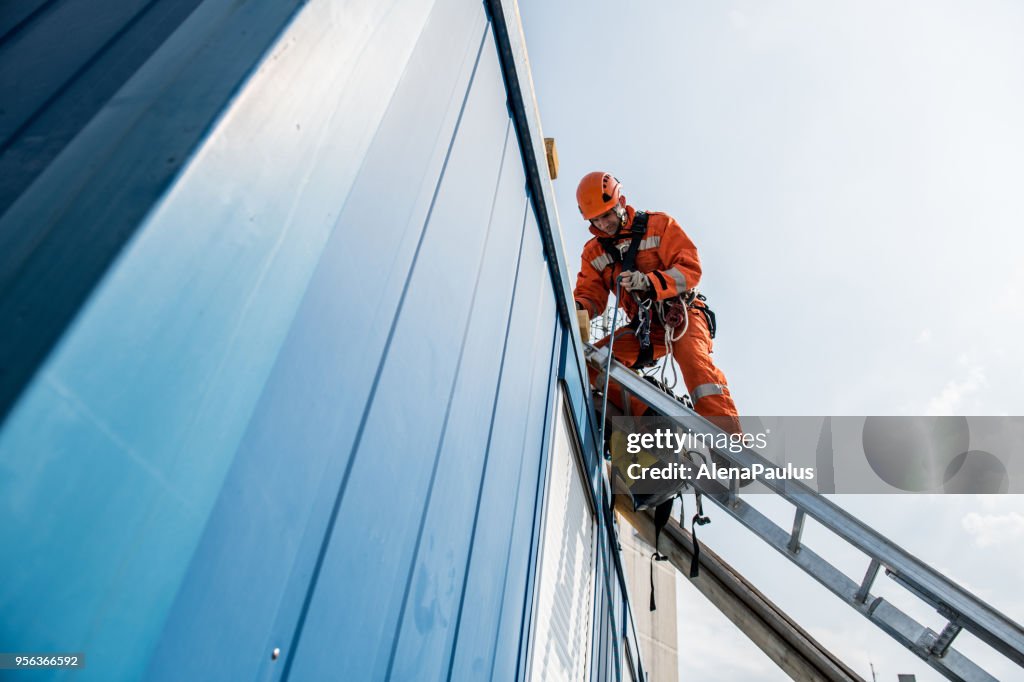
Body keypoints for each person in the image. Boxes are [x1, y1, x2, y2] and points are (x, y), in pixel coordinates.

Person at [573, 171, 741, 435]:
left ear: (621, 202)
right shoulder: (594, 253)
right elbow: (590, 294)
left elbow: (690, 269)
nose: (604, 224)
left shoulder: (658, 226)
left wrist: (650, 282)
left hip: (682, 315)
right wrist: (579, 309)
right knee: (594, 363)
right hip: (647, 329)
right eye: (597, 219)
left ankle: (728, 443)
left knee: (694, 364)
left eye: (607, 215)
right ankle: (651, 417)